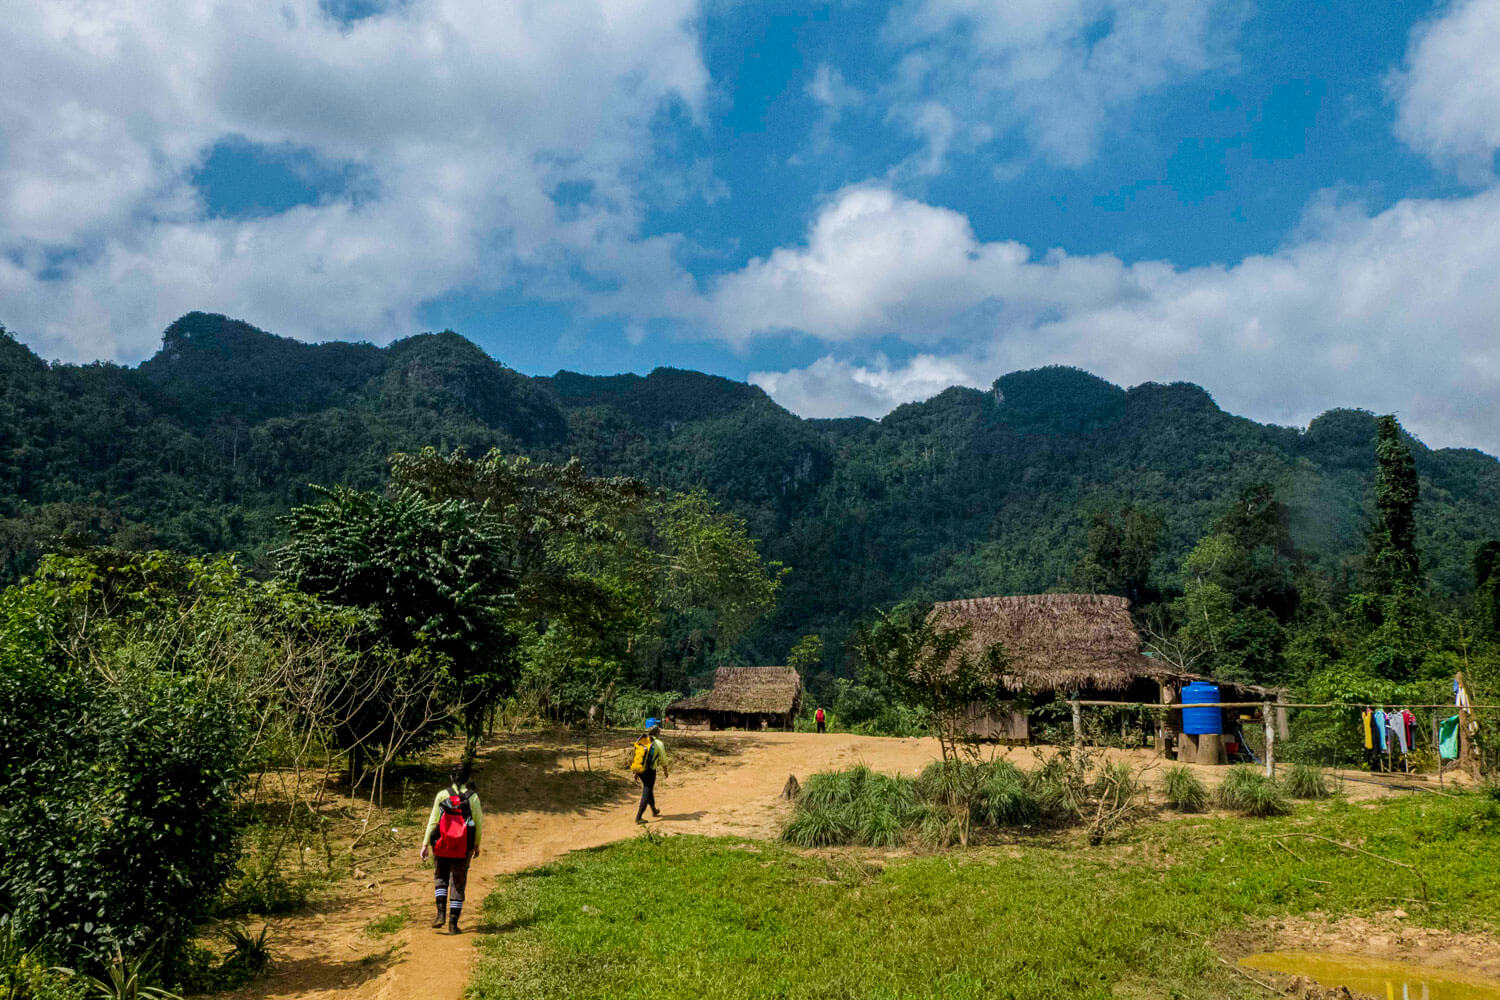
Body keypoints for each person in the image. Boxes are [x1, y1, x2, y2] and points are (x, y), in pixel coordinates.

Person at [419, 762, 483, 934]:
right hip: (463, 847)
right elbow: (478, 823)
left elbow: (433, 821)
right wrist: (476, 845)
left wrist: (425, 844)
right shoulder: (473, 797)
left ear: (451, 777)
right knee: (458, 882)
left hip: (442, 844)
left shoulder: (442, 795)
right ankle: (453, 925)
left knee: (440, 877)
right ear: (468, 779)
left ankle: (440, 914)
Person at [633, 719, 669, 824]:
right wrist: (666, 772)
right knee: (647, 791)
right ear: (658, 733)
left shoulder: (643, 740)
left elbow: (638, 757)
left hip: (640, 769)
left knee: (649, 789)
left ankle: (654, 810)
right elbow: (663, 760)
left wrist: (636, 771)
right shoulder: (658, 743)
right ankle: (638, 817)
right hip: (650, 771)